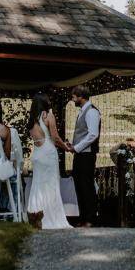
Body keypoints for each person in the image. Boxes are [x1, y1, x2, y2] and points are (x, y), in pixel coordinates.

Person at [24, 93, 72, 230]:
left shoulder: (32, 119)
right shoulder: (48, 116)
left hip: (38, 155)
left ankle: (35, 216)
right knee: (51, 186)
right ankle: (52, 218)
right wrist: (66, 147)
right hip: (49, 154)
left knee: (37, 186)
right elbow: (55, 138)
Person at [69, 85, 102, 227]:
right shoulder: (83, 111)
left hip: (87, 155)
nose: (73, 99)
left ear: (81, 97)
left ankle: (90, 219)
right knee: (79, 186)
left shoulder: (92, 112)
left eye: (74, 97)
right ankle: (83, 218)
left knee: (86, 186)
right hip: (80, 154)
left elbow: (93, 134)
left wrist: (76, 147)